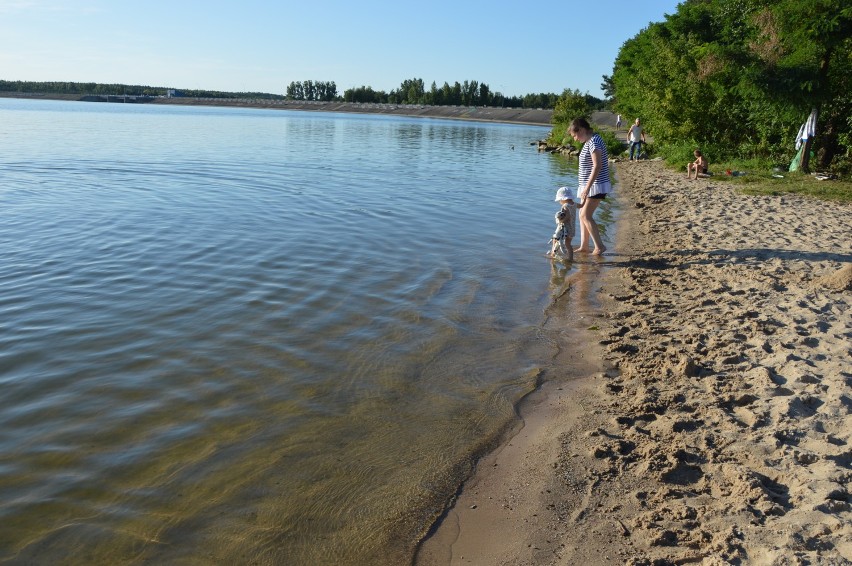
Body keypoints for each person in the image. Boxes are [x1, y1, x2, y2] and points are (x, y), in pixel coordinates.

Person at [568, 118, 611, 255]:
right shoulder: (589, 141)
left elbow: (597, 165)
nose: (575, 139)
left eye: (575, 135)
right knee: (582, 215)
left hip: (596, 185)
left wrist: (587, 188)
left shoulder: (594, 141)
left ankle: (599, 247)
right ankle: (584, 246)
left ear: (581, 130)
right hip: (591, 186)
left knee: (586, 215)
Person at [547, 186, 577, 261]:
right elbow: (582, 205)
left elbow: (568, 216)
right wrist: (585, 199)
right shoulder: (574, 204)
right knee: (568, 244)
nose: (560, 202)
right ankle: (570, 258)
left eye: (560, 200)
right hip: (572, 229)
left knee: (555, 239)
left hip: (566, 229)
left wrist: (560, 221)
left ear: (563, 199)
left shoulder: (565, 206)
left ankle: (553, 254)